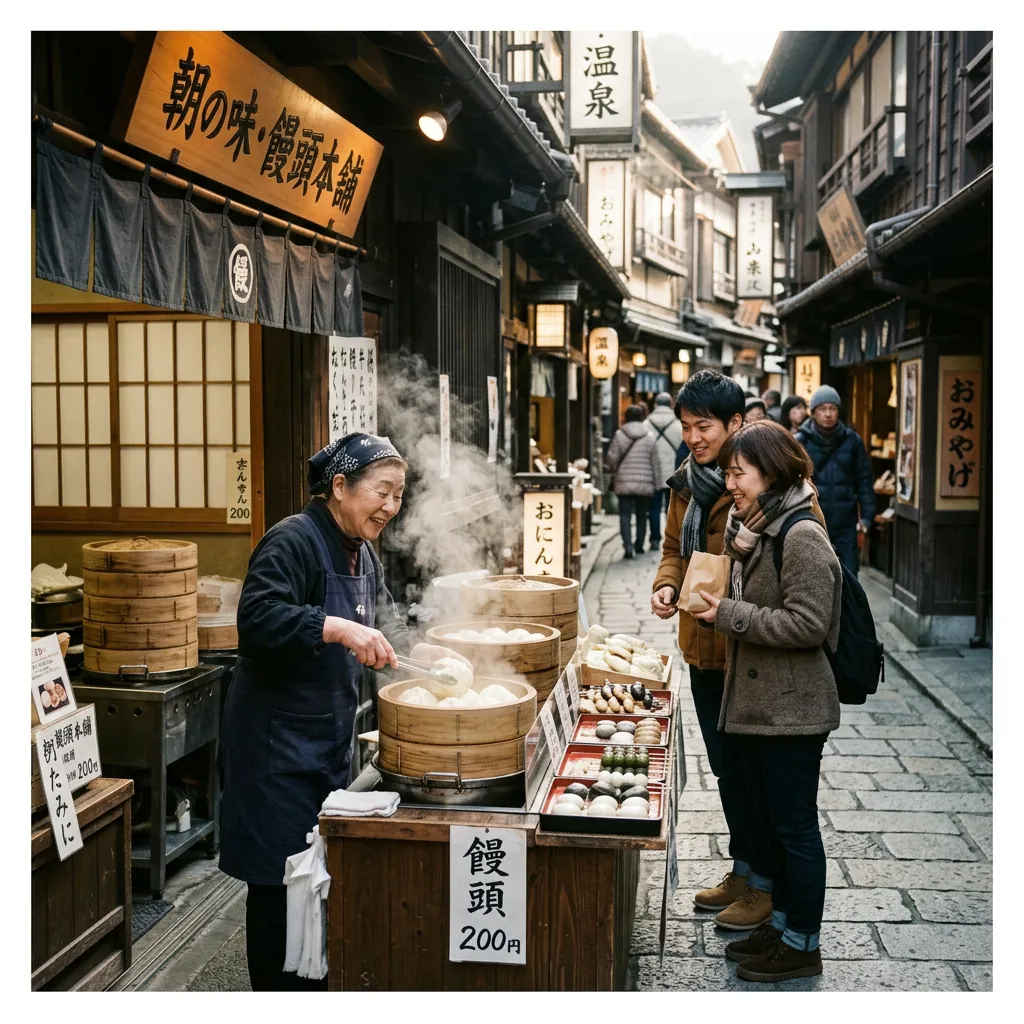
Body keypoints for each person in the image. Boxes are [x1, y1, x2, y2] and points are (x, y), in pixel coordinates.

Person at [219, 432, 469, 991]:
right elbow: (257, 619)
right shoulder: (292, 541)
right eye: (382, 491)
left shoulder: (363, 552)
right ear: (339, 486)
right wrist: (333, 627)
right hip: (273, 754)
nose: (391, 506)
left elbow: (383, 627)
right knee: (278, 886)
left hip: (324, 744)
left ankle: (311, 987)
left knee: (316, 877)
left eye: (399, 495)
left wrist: (422, 653)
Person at [693, 419, 841, 982]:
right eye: (728, 473)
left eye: (738, 473)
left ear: (771, 472)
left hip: (793, 710)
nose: (730, 483)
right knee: (774, 825)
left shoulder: (801, 533)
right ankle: (779, 926)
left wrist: (730, 615)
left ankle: (802, 943)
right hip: (762, 707)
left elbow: (809, 623)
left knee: (795, 830)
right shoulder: (757, 529)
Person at [651, 370, 768, 930]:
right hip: (701, 647)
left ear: (735, 423)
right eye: (687, 427)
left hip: (748, 652)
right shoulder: (686, 483)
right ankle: (743, 870)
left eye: (705, 427)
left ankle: (764, 883)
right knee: (725, 769)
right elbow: (673, 548)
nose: (694, 437)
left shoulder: (756, 481)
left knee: (753, 771)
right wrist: (666, 585)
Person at [795, 385, 876, 576]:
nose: (828, 414)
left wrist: (866, 518)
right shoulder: (800, 441)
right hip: (811, 520)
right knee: (814, 577)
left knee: (849, 576)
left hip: (845, 522)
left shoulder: (852, 441)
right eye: (822, 409)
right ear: (813, 412)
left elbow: (864, 481)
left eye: (832, 408)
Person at [605, 404, 661, 559]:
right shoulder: (649, 436)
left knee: (624, 515)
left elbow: (612, 458)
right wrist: (657, 484)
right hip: (644, 482)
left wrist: (610, 468)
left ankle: (628, 547)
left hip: (623, 482)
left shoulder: (619, 435)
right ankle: (639, 545)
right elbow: (655, 463)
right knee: (642, 515)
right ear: (642, 418)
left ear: (626, 418)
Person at [645, 392, 684, 553]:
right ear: (671, 405)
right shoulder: (678, 425)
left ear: (655, 404)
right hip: (673, 472)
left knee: (653, 507)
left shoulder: (646, 424)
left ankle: (655, 539)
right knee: (672, 508)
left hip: (653, 472)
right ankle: (672, 540)